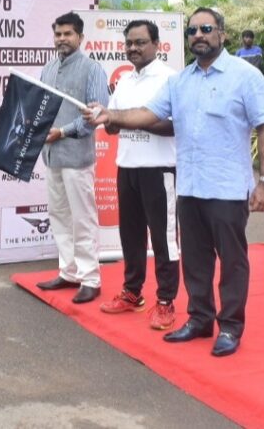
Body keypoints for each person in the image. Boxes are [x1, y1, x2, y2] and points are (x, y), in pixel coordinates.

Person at [86, 7, 264, 356]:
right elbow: (148, 114)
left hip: (227, 188)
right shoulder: (180, 81)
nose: (198, 35)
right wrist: (110, 115)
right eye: (192, 31)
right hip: (189, 186)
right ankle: (200, 319)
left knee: (232, 261)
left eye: (206, 28)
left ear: (222, 33)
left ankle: (231, 327)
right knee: (195, 260)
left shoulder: (246, 77)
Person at [98, 20, 180, 330]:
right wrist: (107, 120)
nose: (133, 48)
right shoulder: (124, 81)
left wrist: (132, 120)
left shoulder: (171, 79)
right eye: (129, 43)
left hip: (159, 170)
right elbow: (113, 124)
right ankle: (132, 293)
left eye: (140, 42)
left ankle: (165, 301)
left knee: (164, 239)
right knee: (130, 237)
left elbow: (173, 125)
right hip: (127, 167)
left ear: (156, 45)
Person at [34, 12, 109, 304]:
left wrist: (62, 132)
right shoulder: (48, 68)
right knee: (59, 215)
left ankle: (90, 278)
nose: (62, 39)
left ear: (80, 37)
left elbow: (96, 116)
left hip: (77, 157)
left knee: (83, 218)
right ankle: (68, 271)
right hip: (51, 155)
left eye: (68, 34)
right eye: (58, 34)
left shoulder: (92, 70)